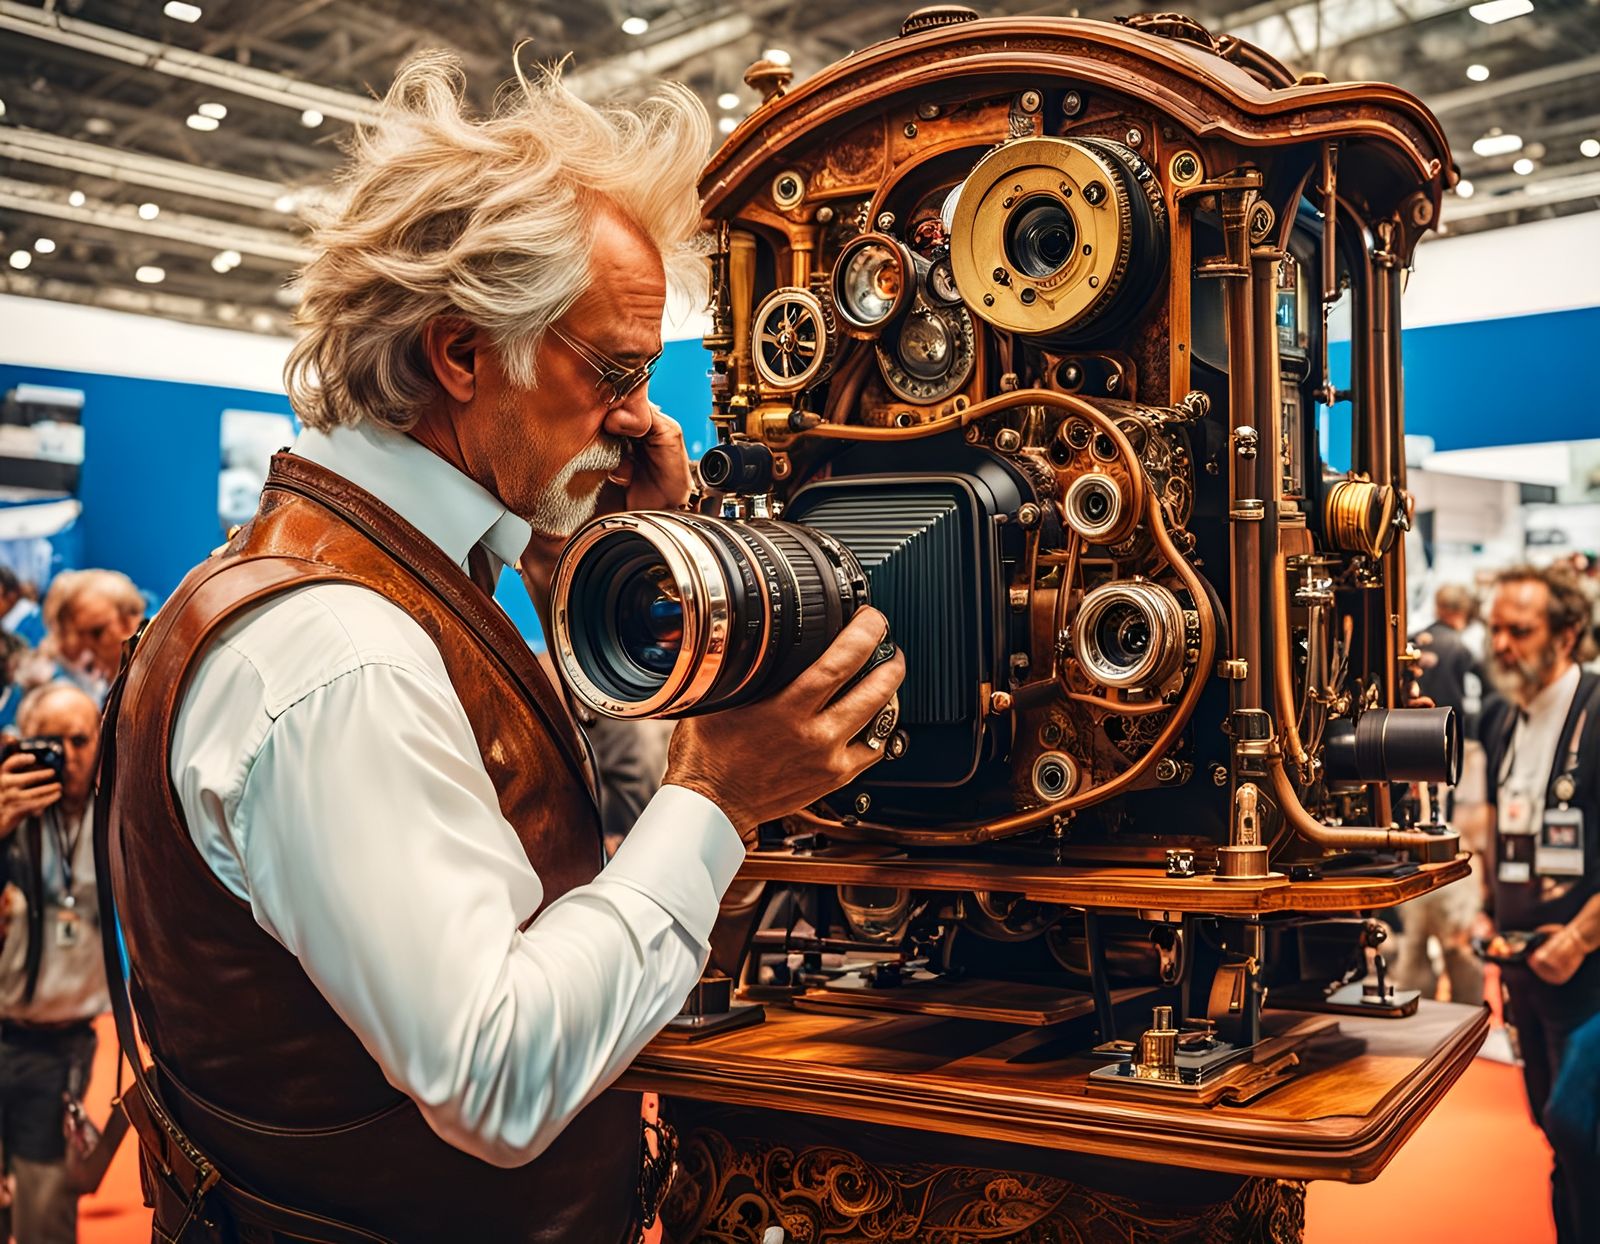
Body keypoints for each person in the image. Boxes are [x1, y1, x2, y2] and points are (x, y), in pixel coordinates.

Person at [100, 52, 905, 1244]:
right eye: (615, 370)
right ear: (462, 353)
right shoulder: (342, 652)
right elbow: (497, 1074)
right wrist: (720, 793)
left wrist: (609, 572)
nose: (642, 414)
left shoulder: (372, 577)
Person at [1479, 563, 1600, 1244]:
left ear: (1567, 634)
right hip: (1525, 975)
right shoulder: (1503, 718)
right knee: (1556, 1139)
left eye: (1519, 631)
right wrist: (1486, 911)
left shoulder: (1598, 711)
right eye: (1496, 629)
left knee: (1577, 1126)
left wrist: (1581, 938)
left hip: (1590, 976)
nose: (1500, 644)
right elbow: (1499, 828)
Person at [0, 683, 109, 1244]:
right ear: (19, 744)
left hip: (58, 1047)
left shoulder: (119, 816)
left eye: (79, 739)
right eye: (50, 741)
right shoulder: (6, 810)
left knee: (43, 1211)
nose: (65, 755)